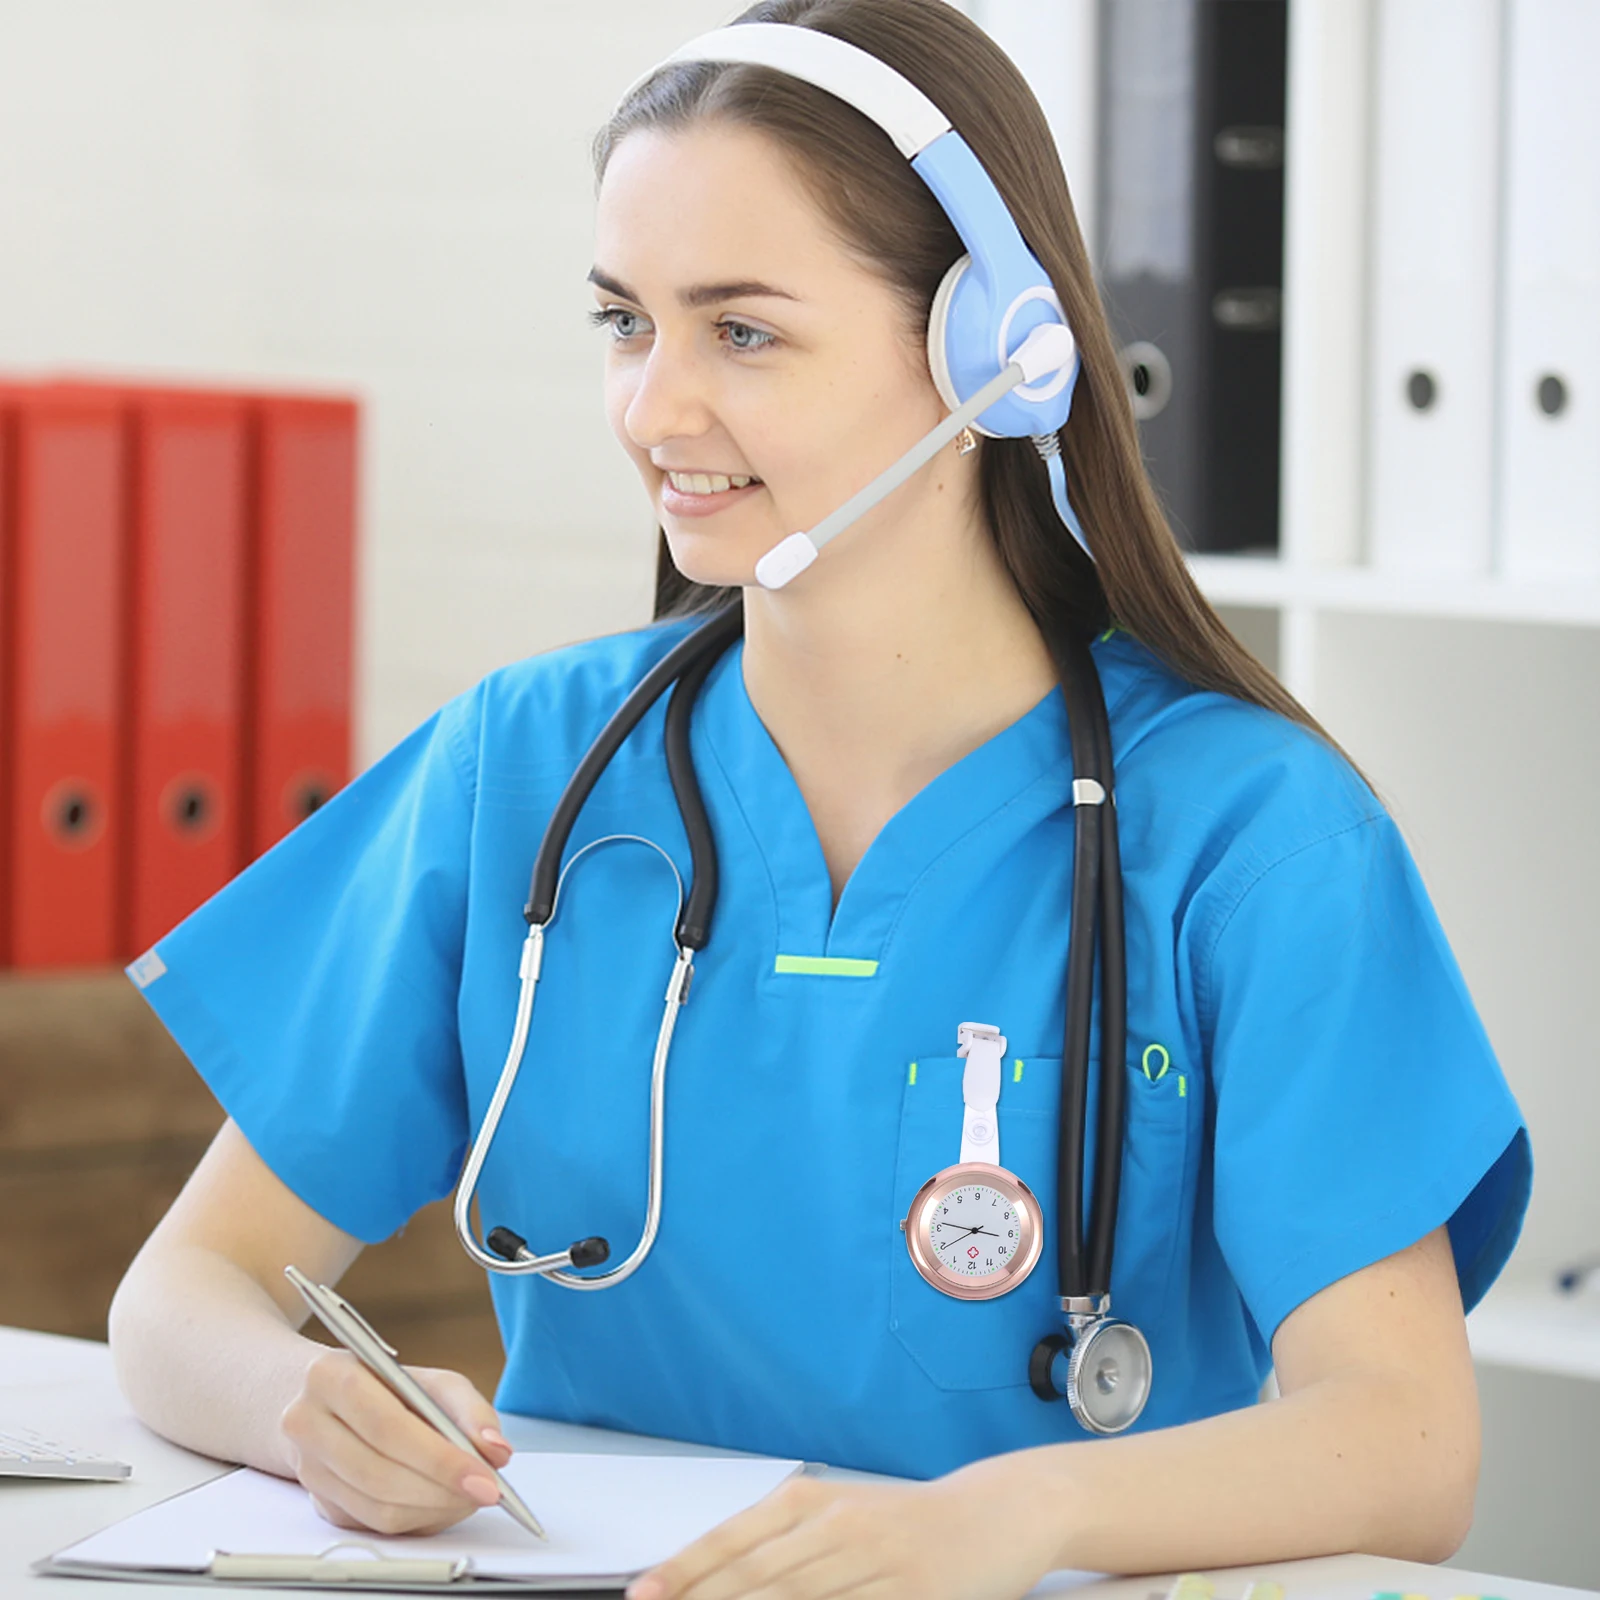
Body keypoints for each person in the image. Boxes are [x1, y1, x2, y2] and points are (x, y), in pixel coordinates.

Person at [108, 2, 1531, 1597]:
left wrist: (1013, 1515)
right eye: (624, 323)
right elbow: (181, 1298)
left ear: (993, 350)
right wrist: (306, 1409)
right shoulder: (525, 763)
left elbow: (1410, 1446)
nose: (652, 409)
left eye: (742, 331)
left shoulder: (1247, 837)